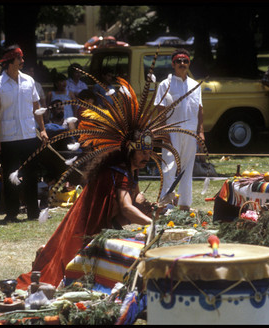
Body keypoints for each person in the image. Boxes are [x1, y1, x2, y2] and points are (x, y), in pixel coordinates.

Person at [15, 58, 205, 290]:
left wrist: (154, 208)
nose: (146, 158)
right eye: (142, 153)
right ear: (130, 151)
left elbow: (135, 200)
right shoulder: (119, 170)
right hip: (89, 231)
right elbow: (126, 208)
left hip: (102, 227)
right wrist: (154, 224)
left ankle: (48, 254)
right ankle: (47, 255)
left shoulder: (126, 170)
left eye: (149, 153)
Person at [0, 44, 49, 222]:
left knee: (31, 175)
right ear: (10, 61)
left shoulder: (29, 81)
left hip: (29, 135)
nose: (22, 61)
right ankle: (12, 212)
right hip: (8, 137)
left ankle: (32, 212)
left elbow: (36, 106)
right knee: (10, 176)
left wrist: (43, 130)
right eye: (19, 58)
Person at [154, 48, 204, 212]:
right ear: (173, 64)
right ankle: (166, 204)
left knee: (187, 168)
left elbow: (200, 109)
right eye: (179, 61)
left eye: (185, 61)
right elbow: (160, 110)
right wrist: (163, 132)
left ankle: (184, 205)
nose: (182, 64)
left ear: (189, 63)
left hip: (190, 132)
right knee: (169, 168)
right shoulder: (165, 84)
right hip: (171, 132)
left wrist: (200, 132)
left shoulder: (195, 85)